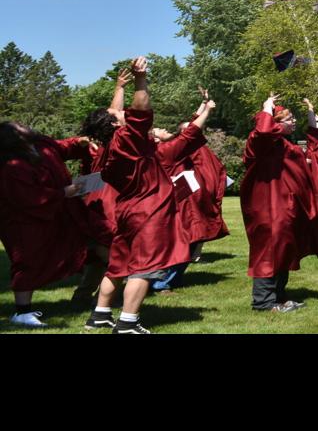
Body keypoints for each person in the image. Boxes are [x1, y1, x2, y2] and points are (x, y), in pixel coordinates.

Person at [91, 58, 186, 334]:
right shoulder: (128, 139)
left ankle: (100, 315)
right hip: (148, 209)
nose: (122, 113)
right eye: (118, 115)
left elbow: (117, 114)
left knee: (118, 264)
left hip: (128, 209)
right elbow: (141, 109)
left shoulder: (108, 150)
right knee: (144, 268)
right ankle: (128, 322)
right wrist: (140, 78)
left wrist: (119, 88)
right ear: (116, 126)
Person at [0, 121, 92, 327]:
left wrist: (81, 143)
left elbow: (61, 147)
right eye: (19, 126)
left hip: (51, 216)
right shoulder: (12, 166)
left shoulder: (41, 144)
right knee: (27, 262)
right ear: (13, 137)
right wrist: (63, 193)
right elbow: (27, 197)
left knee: (56, 253)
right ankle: (22, 312)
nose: (25, 125)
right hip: (23, 222)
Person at [242, 92, 318, 312]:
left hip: (284, 205)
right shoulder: (260, 142)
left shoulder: (283, 145)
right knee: (268, 251)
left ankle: (279, 297)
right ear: (275, 122)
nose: (293, 121)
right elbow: (264, 130)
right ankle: (263, 302)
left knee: (284, 249)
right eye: (288, 119)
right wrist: (267, 107)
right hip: (268, 207)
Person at [150, 90, 220, 292]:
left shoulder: (169, 149)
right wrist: (206, 109)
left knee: (189, 241)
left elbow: (189, 128)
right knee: (180, 243)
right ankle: (160, 282)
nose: (164, 129)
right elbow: (190, 131)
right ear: (155, 139)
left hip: (183, 200)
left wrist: (204, 104)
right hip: (174, 203)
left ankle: (171, 279)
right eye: (159, 130)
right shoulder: (165, 152)